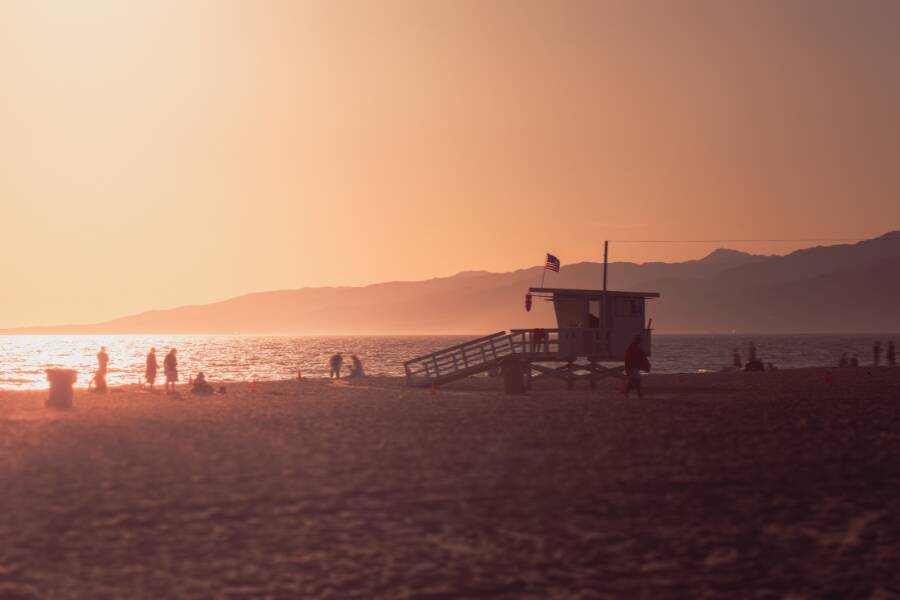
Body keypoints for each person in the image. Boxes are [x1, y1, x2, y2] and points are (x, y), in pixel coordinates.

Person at [623, 335, 649, 399]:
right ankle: (634, 393)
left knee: (635, 379)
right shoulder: (634, 348)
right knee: (636, 380)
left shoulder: (634, 347)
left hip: (633, 366)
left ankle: (634, 393)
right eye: (640, 341)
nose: (641, 343)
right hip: (633, 366)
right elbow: (634, 358)